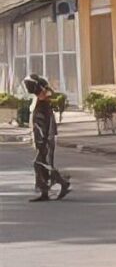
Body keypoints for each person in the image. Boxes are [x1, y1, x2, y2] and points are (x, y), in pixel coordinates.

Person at [24, 74, 70, 202]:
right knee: (43, 164)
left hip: (45, 141)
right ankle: (47, 190)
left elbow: (42, 127)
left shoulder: (43, 106)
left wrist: (42, 142)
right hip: (44, 140)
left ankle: (61, 182)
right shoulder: (41, 103)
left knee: (40, 164)